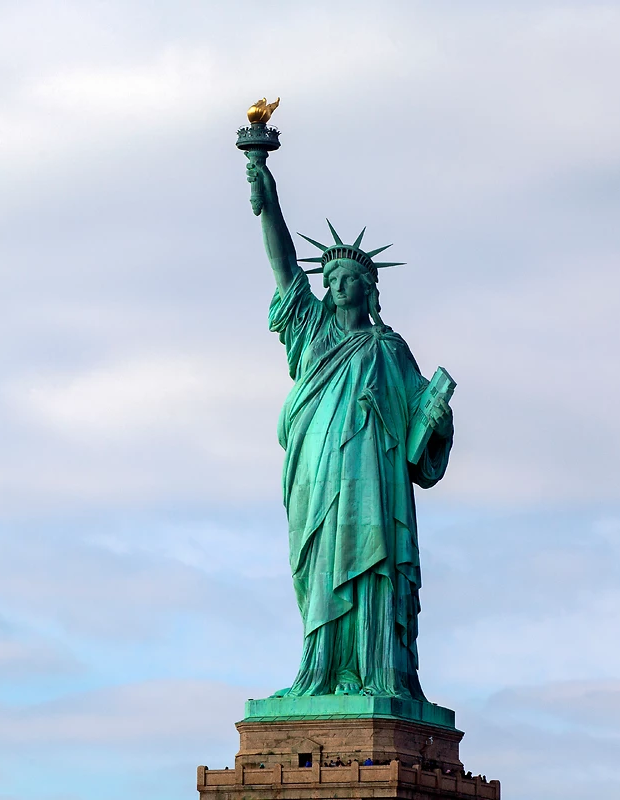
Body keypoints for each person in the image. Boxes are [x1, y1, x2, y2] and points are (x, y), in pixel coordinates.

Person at [246, 159, 453, 700]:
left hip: (372, 478)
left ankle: (374, 668)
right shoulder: (310, 327)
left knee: (371, 561)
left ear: (368, 288)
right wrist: (267, 198)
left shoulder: (390, 349)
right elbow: (283, 265)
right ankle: (321, 668)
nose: (337, 287)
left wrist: (437, 420)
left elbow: (421, 426)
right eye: (331, 279)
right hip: (316, 470)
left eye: (348, 280)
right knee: (320, 562)